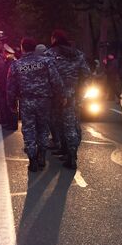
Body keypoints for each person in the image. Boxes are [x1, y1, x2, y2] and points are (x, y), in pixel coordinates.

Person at [7, 37, 65, 172]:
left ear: (22, 48)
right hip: (45, 101)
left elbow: (10, 87)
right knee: (43, 129)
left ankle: (32, 159)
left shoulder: (16, 65)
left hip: (26, 101)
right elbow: (56, 81)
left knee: (28, 130)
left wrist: (11, 103)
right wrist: (61, 96)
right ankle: (42, 156)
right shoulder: (46, 62)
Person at [45, 29, 91, 169]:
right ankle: (69, 153)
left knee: (58, 124)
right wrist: (80, 93)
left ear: (54, 39)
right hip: (72, 95)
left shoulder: (49, 54)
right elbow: (87, 75)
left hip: (55, 96)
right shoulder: (78, 55)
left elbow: (44, 75)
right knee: (71, 125)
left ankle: (69, 155)